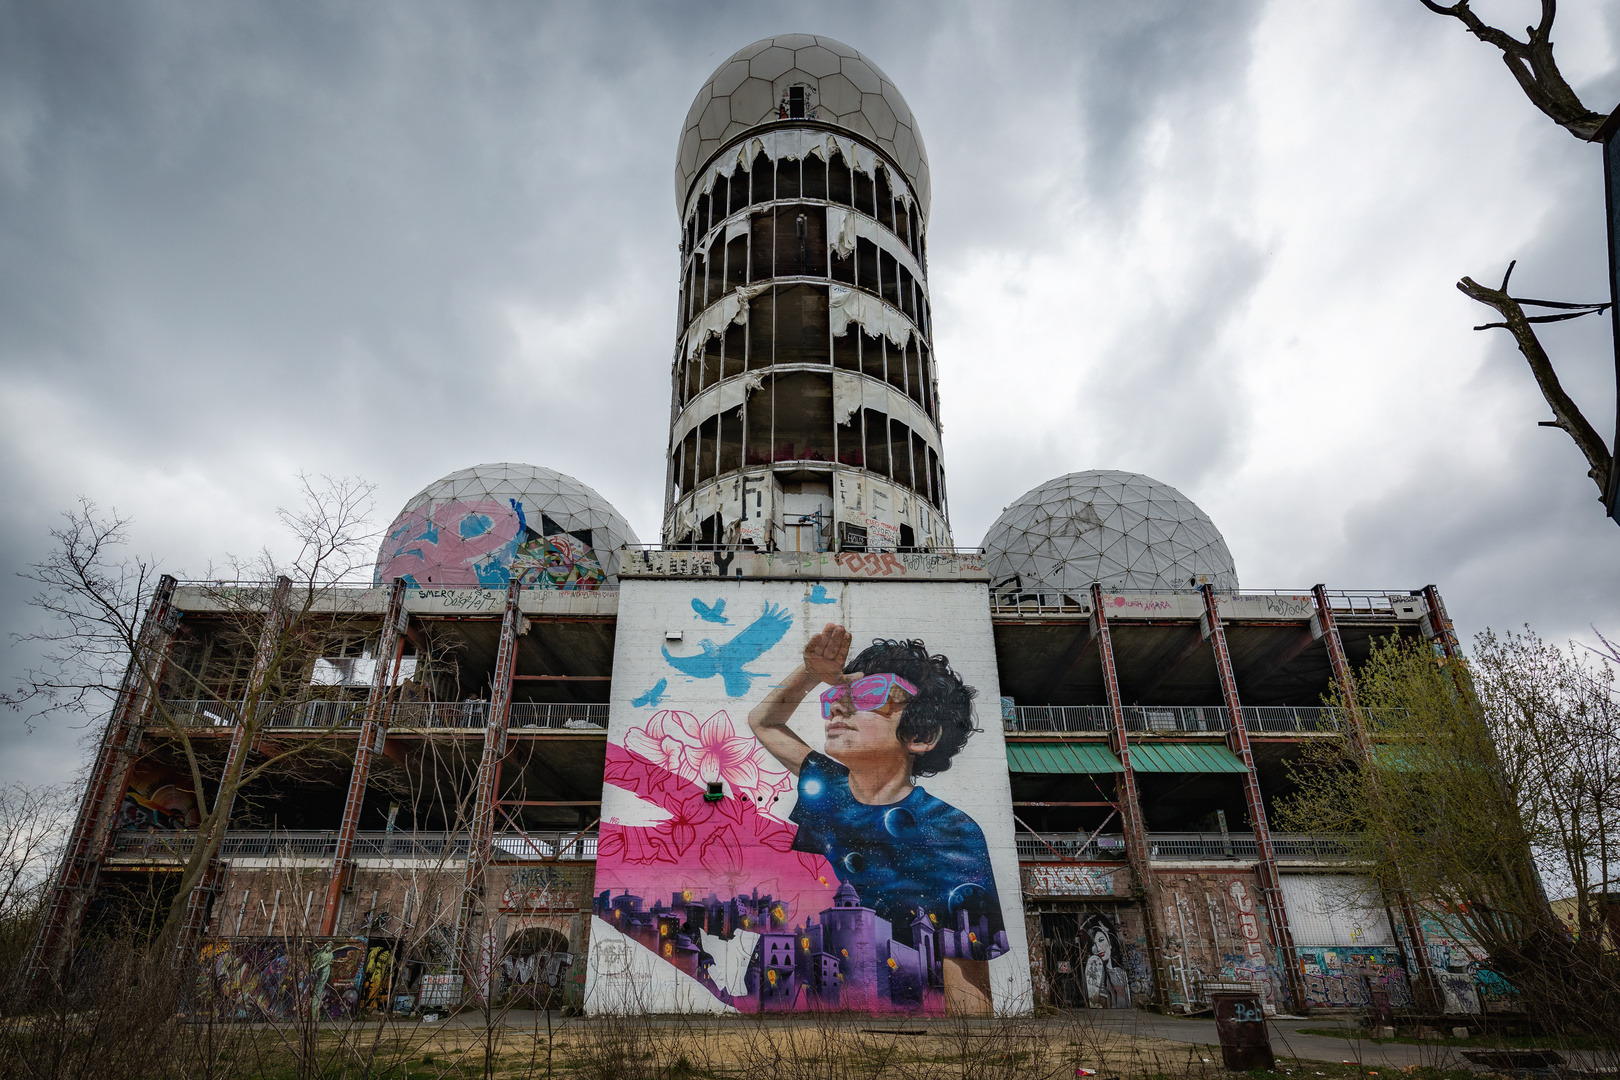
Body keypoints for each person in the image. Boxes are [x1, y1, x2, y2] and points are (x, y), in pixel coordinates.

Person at [746, 622, 1004, 951]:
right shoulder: (830, 787)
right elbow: (764, 721)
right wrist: (811, 674)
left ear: (921, 735)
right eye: (837, 696)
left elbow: (965, 973)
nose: (838, 707)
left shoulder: (953, 830)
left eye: (869, 695)